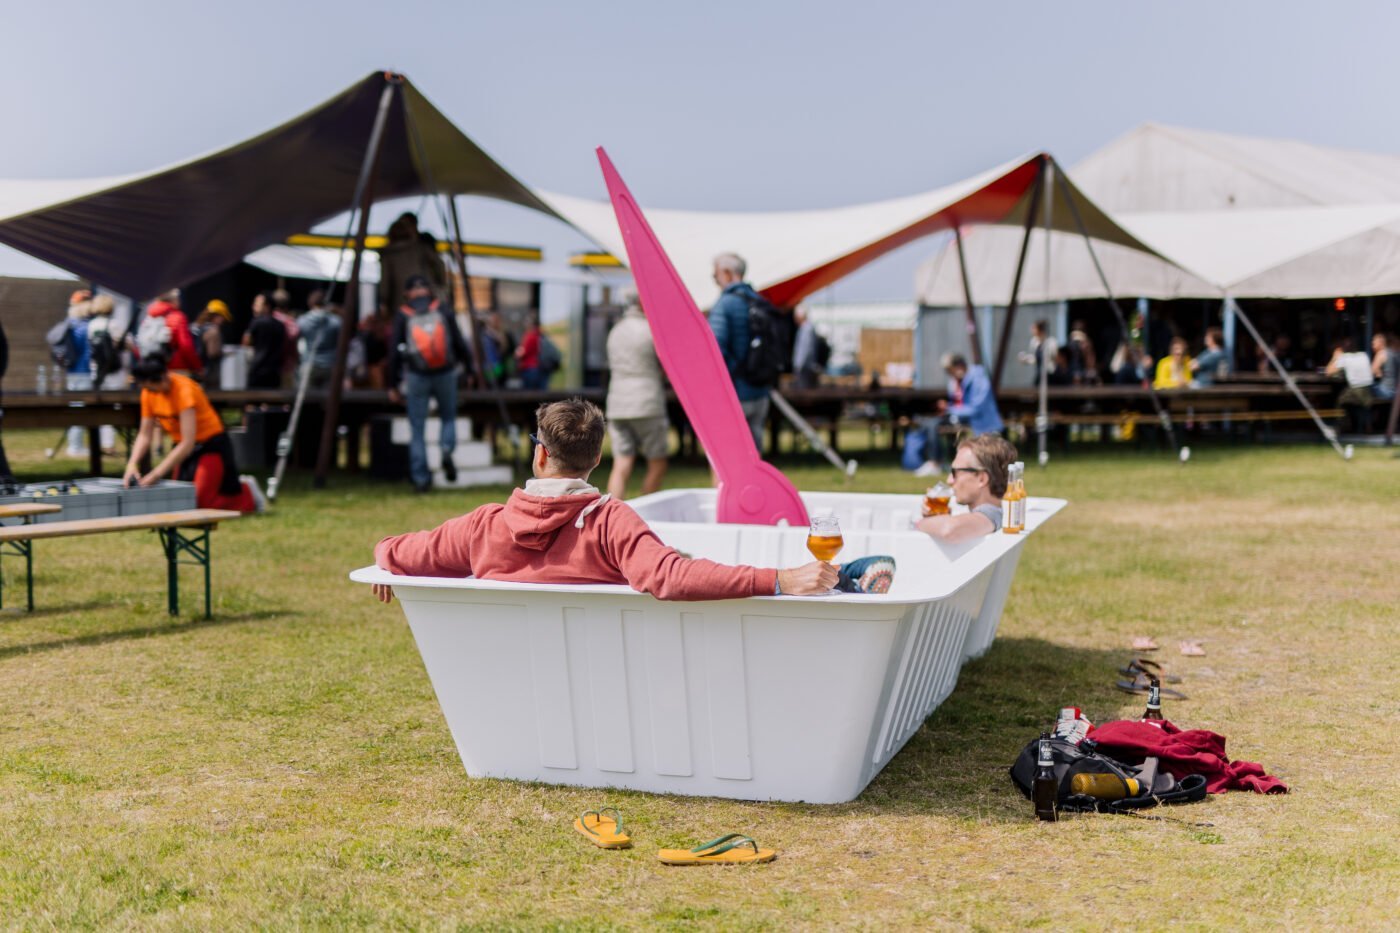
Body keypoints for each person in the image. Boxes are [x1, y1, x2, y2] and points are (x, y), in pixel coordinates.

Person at [371, 398, 838, 603]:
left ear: (540, 456)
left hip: (514, 684)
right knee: (680, 558)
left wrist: (388, 564)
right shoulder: (610, 522)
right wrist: (778, 578)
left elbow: (395, 550)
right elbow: (670, 578)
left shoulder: (483, 527)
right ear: (596, 457)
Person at [124, 354, 263, 513]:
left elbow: (187, 443)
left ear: (162, 377)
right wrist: (132, 464)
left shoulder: (184, 390)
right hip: (184, 451)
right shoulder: (148, 393)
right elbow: (144, 434)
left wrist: (156, 475)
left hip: (210, 445)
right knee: (181, 500)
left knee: (201, 501)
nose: (148, 391)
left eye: (150, 386)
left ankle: (248, 493)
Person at [388, 274, 472, 492]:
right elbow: (459, 342)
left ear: (407, 293)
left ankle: (421, 479)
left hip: (416, 375)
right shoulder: (442, 309)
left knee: (417, 428)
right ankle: (446, 449)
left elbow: (394, 352)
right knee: (448, 417)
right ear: (429, 290)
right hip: (446, 373)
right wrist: (469, 370)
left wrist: (393, 384)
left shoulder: (404, 314)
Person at [605, 289, 669, 499]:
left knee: (621, 462)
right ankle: (645, 516)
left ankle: (613, 515)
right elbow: (664, 365)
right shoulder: (651, 330)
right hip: (647, 401)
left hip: (617, 403)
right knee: (657, 461)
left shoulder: (615, 331)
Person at [708, 252, 770, 448]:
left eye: (715, 275)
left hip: (734, 392)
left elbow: (714, 349)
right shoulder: (759, 300)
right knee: (753, 455)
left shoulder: (725, 304)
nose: (716, 280)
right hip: (760, 391)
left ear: (727, 273)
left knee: (724, 457)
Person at [908, 352, 1003, 475]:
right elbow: (956, 401)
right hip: (959, 415)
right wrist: (948, 407)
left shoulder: (979, 378)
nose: (949, 374)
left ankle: (936, 463)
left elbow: (976, 408)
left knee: (934, 424)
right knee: (927, 422)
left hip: (978, 419)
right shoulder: (955, 381)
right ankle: (934, 461)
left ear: (959, 366)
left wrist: (950, 409)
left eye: (949, 370)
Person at [915, 434, 1018, 544]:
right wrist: (938, 518)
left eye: (955, 473)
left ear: (981, 479)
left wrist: (919, 523)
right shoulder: (998, 512)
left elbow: (949, 530)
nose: (949, 480)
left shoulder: (991, 514)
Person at [377, 212, 446, 314]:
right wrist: (440, 284)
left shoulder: (388, 254)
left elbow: (385, 284)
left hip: (401, 304)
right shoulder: (421, 247)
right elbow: (439, 266)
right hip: (427, 299)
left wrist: (384, 302)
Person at [59, 293, 94, 456]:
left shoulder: (70, 324)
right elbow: (87, 353)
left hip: (72, 372)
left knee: (75, 409)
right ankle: (76, 447)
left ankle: (75, 445)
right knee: (80, 410)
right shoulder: (84, 326)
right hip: (83, 373)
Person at [137, 290, 203, 376]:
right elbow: (186, 346)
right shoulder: (178, 317)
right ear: (174, 300)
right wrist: (197, 367)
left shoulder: (148, 318)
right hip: (176, 368)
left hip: (154, 369)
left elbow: (141, 345)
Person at [1326, 339, 1376, 433]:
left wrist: (1335, 357)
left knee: (1340, 401)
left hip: (1356, 390)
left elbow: (1328, 372)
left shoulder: (1345, 357)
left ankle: (1341, 426)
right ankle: (1366, 425)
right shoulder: (1363, 355)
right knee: (1349, 399)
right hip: (1368, 391)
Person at [297, 290, 342, 388]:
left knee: (307, 399)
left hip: (309, 363)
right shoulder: (336, 321)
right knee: (327, 400)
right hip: (330, 364)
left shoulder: (302, 320)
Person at [243, 292, 286, 390]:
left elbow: (246, 342)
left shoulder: (256, 322)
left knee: (253, 401)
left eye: (257, 304)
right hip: (275, 371)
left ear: (267, 306)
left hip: (257, 369)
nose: (253, 307)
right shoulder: (281, 325)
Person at [192, 300, 230, 388]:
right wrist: (224, 354)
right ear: (216, 316)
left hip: (196, 371)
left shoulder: (196, 327)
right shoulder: (213, 331)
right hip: (209, 376)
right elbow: (213, 353)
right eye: (223, 317)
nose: (223, 321)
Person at [1018, 319, 1064, 385]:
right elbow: (1035, 359)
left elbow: (1056, 359)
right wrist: (1026, 359)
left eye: (1034, 328)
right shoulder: (1034, 342)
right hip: (1039, 374)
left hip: (1050, 375)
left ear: (1040, 330)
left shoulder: (1051, 342)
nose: (1032, 330)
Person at [270, 289, 301, 387]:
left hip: (268, 366)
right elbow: (294, 341)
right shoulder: (290, 323)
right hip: (287, 366)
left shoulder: (267, 319)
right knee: (285, 398)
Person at [791, 307, 824, 389]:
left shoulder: (806, 329)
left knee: (803, 391)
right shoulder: (808, 328)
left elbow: (804, 349)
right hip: (807, 365)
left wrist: (798, 365)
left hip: (804, 367)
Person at [515, 314, 547, 389]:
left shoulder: (530, 336)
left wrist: (517, 353)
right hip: (534, 367)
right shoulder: (537, 335)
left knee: (529, 393)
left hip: (529, 368)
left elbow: (523, 352)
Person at [1066, 320, 1099, 385]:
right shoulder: (1070, 345)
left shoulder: (1087, 344)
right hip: (1072, 373)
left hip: (1085, 374)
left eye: (1080, 330)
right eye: (1075, 330)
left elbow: (1091, 366)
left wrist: (1087, 350)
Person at [1370, 332, 1398, 400]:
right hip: (1396, 391)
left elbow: (1370, 373)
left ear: (1380, 343)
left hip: (1385, 391)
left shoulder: (1380, 354)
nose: (1372, 345)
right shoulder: (1393, 352)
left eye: (1374, 343)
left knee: (1365, 389)